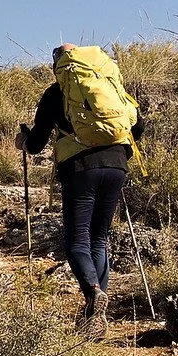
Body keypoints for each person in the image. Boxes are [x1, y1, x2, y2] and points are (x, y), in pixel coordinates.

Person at [15, 43, 144, 339]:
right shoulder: (109, 83)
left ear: (58, 67)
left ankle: (94, 292)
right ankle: (95, 317)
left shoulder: (57, 92)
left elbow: (36, 144)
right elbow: (138, 128)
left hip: (80, 169)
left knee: (77, 241)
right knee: (99, 238)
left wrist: (23, 141)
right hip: (117, 165)